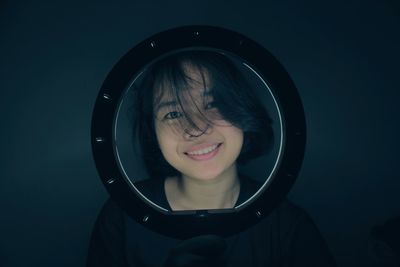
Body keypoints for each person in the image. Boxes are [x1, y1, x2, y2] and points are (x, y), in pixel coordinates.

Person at [87, 50, 336, 266]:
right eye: (173, 113)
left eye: (212, 104)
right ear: (153, 130)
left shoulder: (287, 225)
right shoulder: (121, 215)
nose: (195, 128)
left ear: (241, 109)